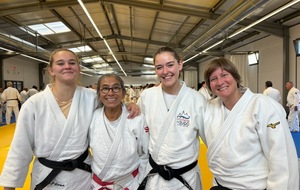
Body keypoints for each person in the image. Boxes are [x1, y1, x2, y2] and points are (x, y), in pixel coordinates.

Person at [0, 49, 140, 190]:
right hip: (46, 177)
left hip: (81, 176)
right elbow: (20, 147)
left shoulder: (91, 97)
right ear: (51, 70)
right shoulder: (34, 103)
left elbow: (111, 101)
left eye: (72, 63)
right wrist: (9, 186)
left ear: (78, 69)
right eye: (60, 63)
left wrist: (128, 105)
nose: (67, 66)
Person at [203, 58, 299, 190]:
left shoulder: (263, 105)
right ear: (209, 85)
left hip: (253, 186)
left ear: (235, 77)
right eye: (213, 79)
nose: (220, 82)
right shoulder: (209, 108)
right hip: (220, 184)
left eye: (224, 75)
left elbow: (281, 158)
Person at [137, 46, 207, 190]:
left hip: (186, 177)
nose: (165, 72)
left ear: (180, 64)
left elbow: (211, 139)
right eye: (159, 67)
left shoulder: (197, 100)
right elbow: (137, 129)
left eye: (170, 65)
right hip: (155, 177)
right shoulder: (147, 96)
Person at [89, 74, 149, 189]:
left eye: (116, 88)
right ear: (99, 93)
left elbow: (145, 154)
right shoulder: (92, 117)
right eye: (105, 88)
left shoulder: (137, 119)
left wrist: (140, 182)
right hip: (97, 184)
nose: (110, 93)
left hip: (130, 184)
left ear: (123, 92)